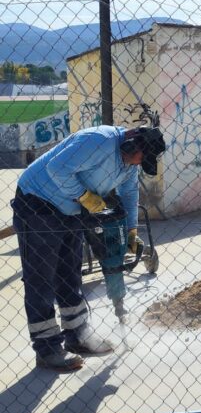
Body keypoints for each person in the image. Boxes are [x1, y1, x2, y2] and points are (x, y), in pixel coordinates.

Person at [12, 125, 166, 372]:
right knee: (41, 278)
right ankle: (47, 349)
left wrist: (131, 231)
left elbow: (129, 192)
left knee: (69, 273)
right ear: (130, 144)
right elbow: (56, 169)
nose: (137, 166)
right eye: (139, 159)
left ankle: (78, 336)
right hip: (37, 202)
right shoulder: (97, 141)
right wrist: (85, 197)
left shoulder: (129, 164)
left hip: (71, 210)